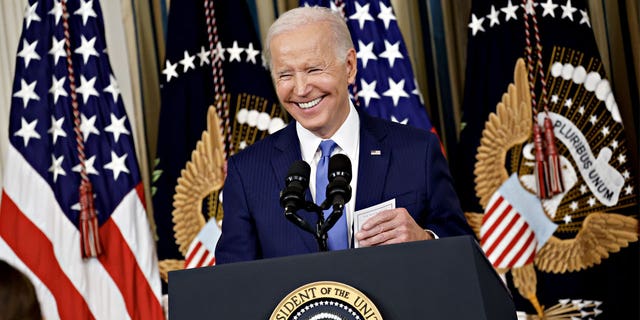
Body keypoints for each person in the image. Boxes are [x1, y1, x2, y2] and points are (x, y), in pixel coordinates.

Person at [215, 6, 473, 264]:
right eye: (285, 75)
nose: (302, 89)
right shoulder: (247, 172)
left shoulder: (417, 151)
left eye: (314, 69)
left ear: (349, 66)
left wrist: (425, 240)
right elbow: (232, 284)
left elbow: (465, 254)